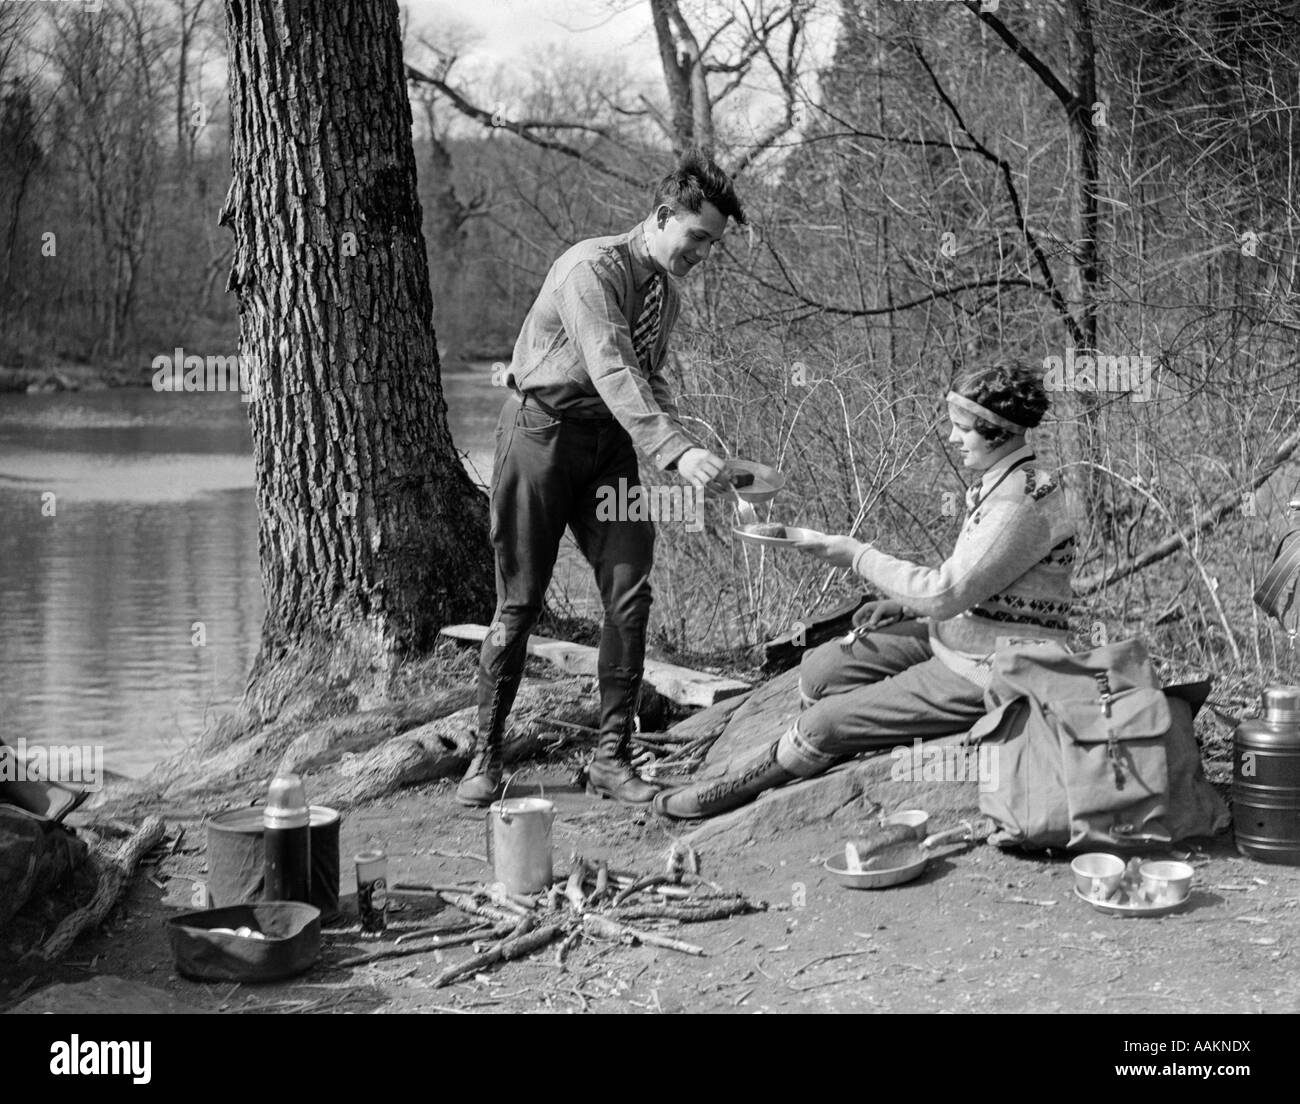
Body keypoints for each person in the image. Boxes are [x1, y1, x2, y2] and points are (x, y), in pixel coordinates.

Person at [653, 361, 1077, 820]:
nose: (952, 439)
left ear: (997, 431)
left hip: (996, 665)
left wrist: (857, 554)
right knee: (820, 671)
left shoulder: (1022, 498)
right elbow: (979, 579)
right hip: (960, 633)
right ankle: (831, 742)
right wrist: (901, 603)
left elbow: (946, 592)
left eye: (962, 429)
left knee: (822, 723)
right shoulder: (1000, 481)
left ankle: (736, 793)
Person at [457, 150, 747, 808]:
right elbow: (611, 365)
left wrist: (700, 455)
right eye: (697, 237)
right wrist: (673, 453)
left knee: (629, 593)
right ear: (663, 214)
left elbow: (645, 381)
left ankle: (613, 759)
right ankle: (484, 757)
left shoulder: (664, 293)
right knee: (521, 603)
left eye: (712, 245)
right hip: (540, 438)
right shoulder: (590, 269)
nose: (701, 253)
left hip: (607, 450)